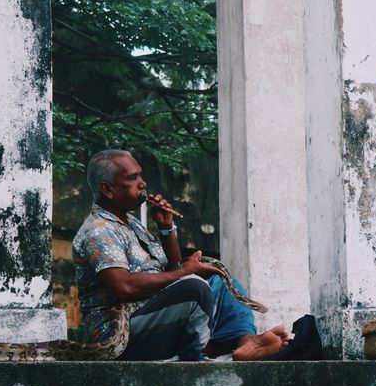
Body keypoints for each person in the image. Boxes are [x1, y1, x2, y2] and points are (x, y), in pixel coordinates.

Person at [72, 148, 290, 361]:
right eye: (133, 178)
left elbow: (171, 270)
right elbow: (124, 288)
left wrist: (166, 229)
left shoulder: (132, 224)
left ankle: (247, 342)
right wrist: (185, 273)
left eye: (141, 175)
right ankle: (199, 356)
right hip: (121, 333)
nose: (143, 183)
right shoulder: (98, 230)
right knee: (194, 287)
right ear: (107, 189)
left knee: (219, 279)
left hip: (153, 314)